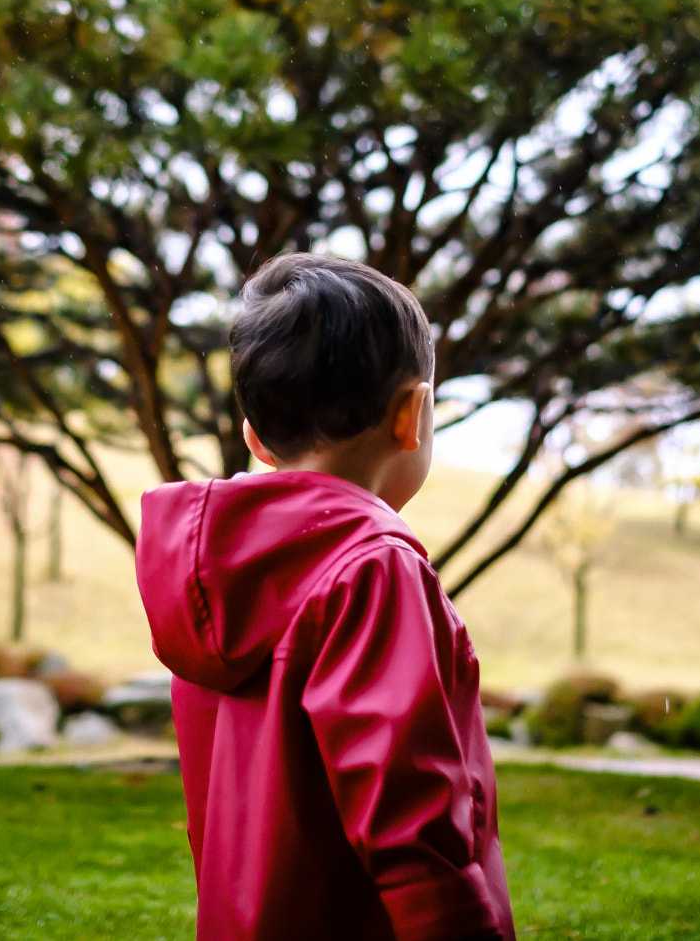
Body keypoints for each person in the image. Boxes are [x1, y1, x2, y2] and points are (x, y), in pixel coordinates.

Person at [137, 252, 514, 941]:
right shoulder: (373, 568)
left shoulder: (214, 577)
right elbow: (408, 810)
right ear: (414, 413)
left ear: (254, 437)